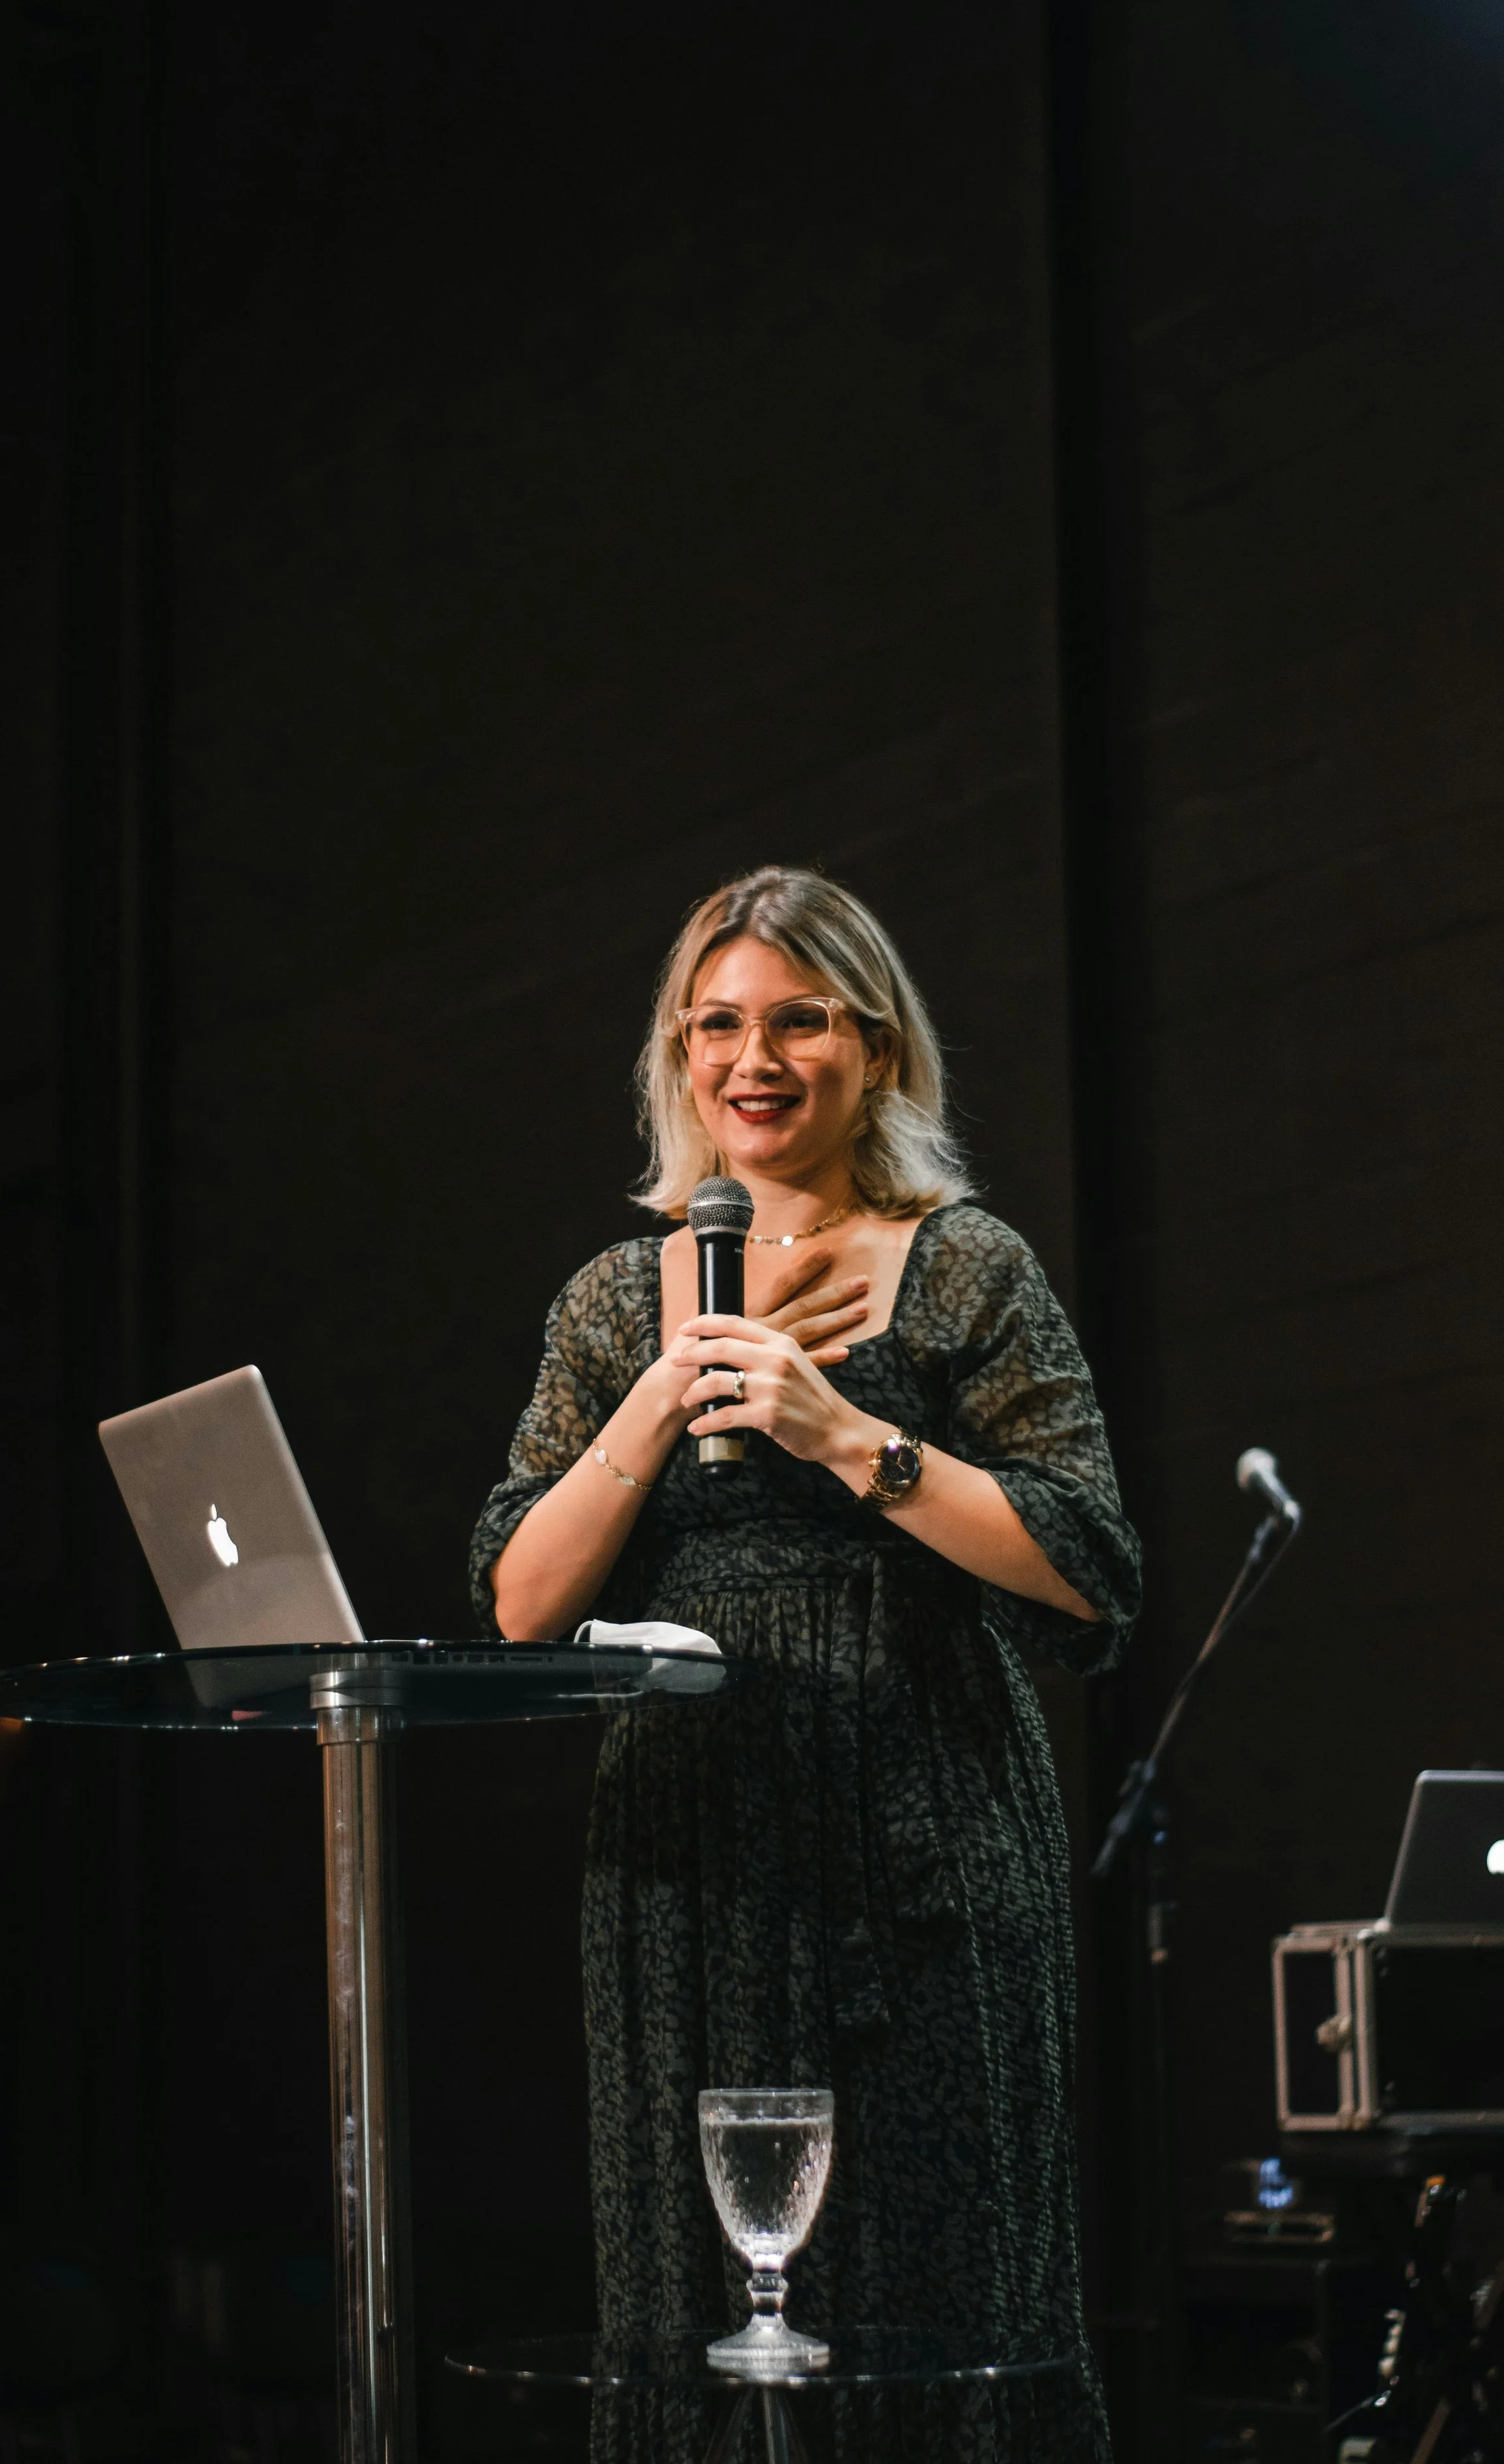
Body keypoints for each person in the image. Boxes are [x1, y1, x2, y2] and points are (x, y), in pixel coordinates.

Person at [469, 865, 1141, 2462]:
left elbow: (1090, 1575)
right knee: (685, 2299)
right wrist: (664, 1386)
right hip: (692, 1852)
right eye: (715, 1026)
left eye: (796, 1021)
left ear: (878, 1051)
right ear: (676, 1058)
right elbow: (519, 1602)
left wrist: (848, 1437)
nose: (751, 1059)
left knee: (938, 2291)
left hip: (922, 1833)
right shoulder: (607, 1304)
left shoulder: (963, 1266)